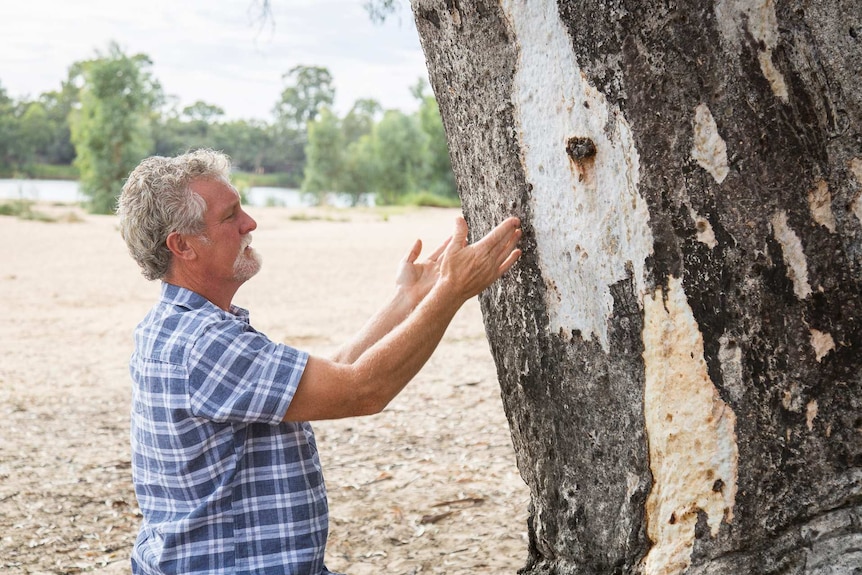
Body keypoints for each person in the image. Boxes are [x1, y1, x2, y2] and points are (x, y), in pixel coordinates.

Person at [116, 148, 522, 575]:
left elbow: (339, 369)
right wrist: (451, 292)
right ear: (183, 246)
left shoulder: (180, 326)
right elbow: (363, 390)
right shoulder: (202, 343)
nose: (249, 223)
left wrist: (409, 298)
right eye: (230, 215)